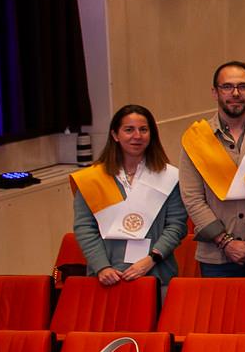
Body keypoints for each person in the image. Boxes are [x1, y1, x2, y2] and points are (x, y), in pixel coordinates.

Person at [70, 104, 188, 296]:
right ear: (115, 135)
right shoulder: (92, 179)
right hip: (107, 277)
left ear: (151, 135)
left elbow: (176, 226)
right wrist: (102, 267)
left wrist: (151, 259)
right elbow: (85, 228)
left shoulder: (169, 177)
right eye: (129, 130)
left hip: (156, 275)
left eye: (143, 129)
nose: (137, 136)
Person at [177, 61, 245, 289]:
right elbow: (192, 198)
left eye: (242, 86)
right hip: (216, 256)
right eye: (227, 87)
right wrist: (226, 242)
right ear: (215, 92)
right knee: (223, 322)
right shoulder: (196, 139)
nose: (235, 93)